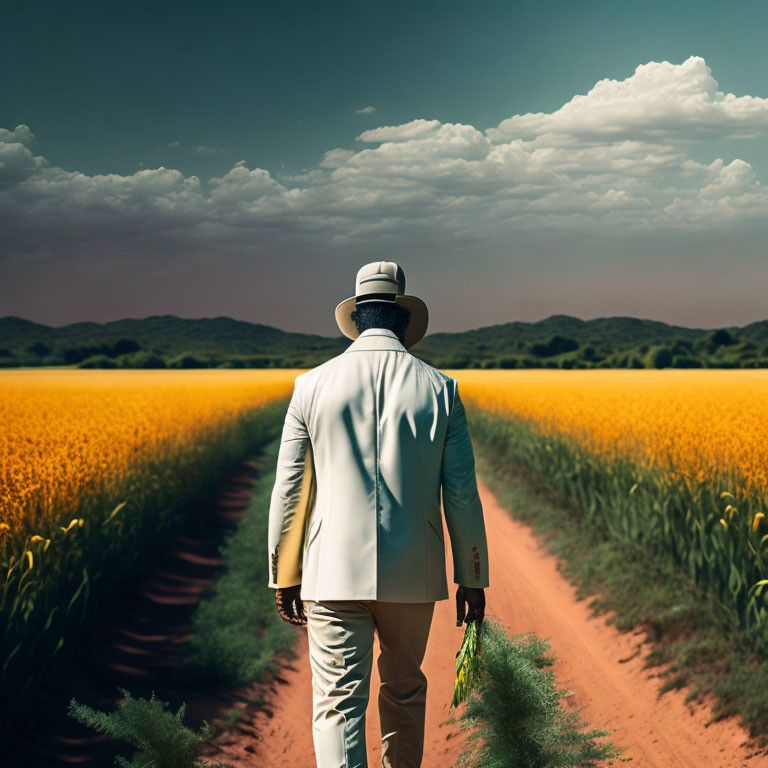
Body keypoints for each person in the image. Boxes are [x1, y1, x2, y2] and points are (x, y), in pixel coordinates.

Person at [267, 260, 489, 768]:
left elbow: (290, 489)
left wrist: (285, 572)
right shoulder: (442, 389)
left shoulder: (311, 385)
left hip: (331, 571)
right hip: (414, 571)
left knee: (339, 704)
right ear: (405, 323)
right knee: (406, 690)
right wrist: (472, 576)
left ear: (356, 319)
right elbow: (461, 494)